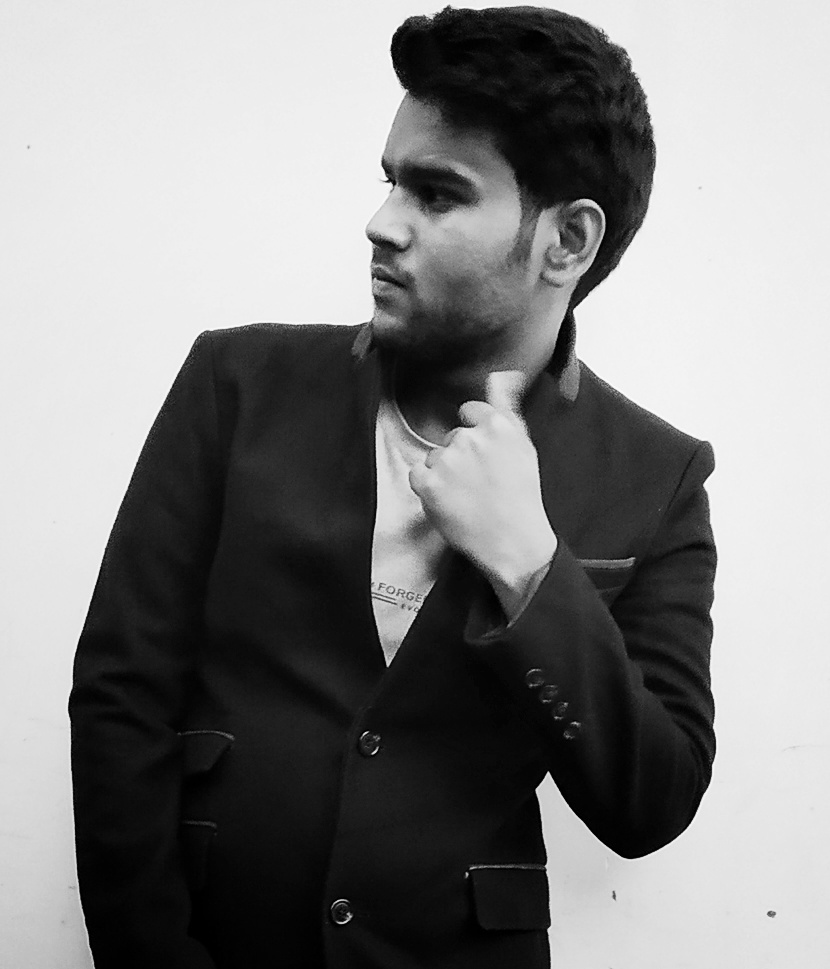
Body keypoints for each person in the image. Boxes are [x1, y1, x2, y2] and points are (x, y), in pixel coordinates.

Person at [69, 6, 717, 969]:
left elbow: (651, 801)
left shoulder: (656, 475)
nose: (382, 223)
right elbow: (122, 699)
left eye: (439, 193)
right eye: (391, 181)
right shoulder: (235, 386)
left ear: (567, 241)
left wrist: (531, 568)